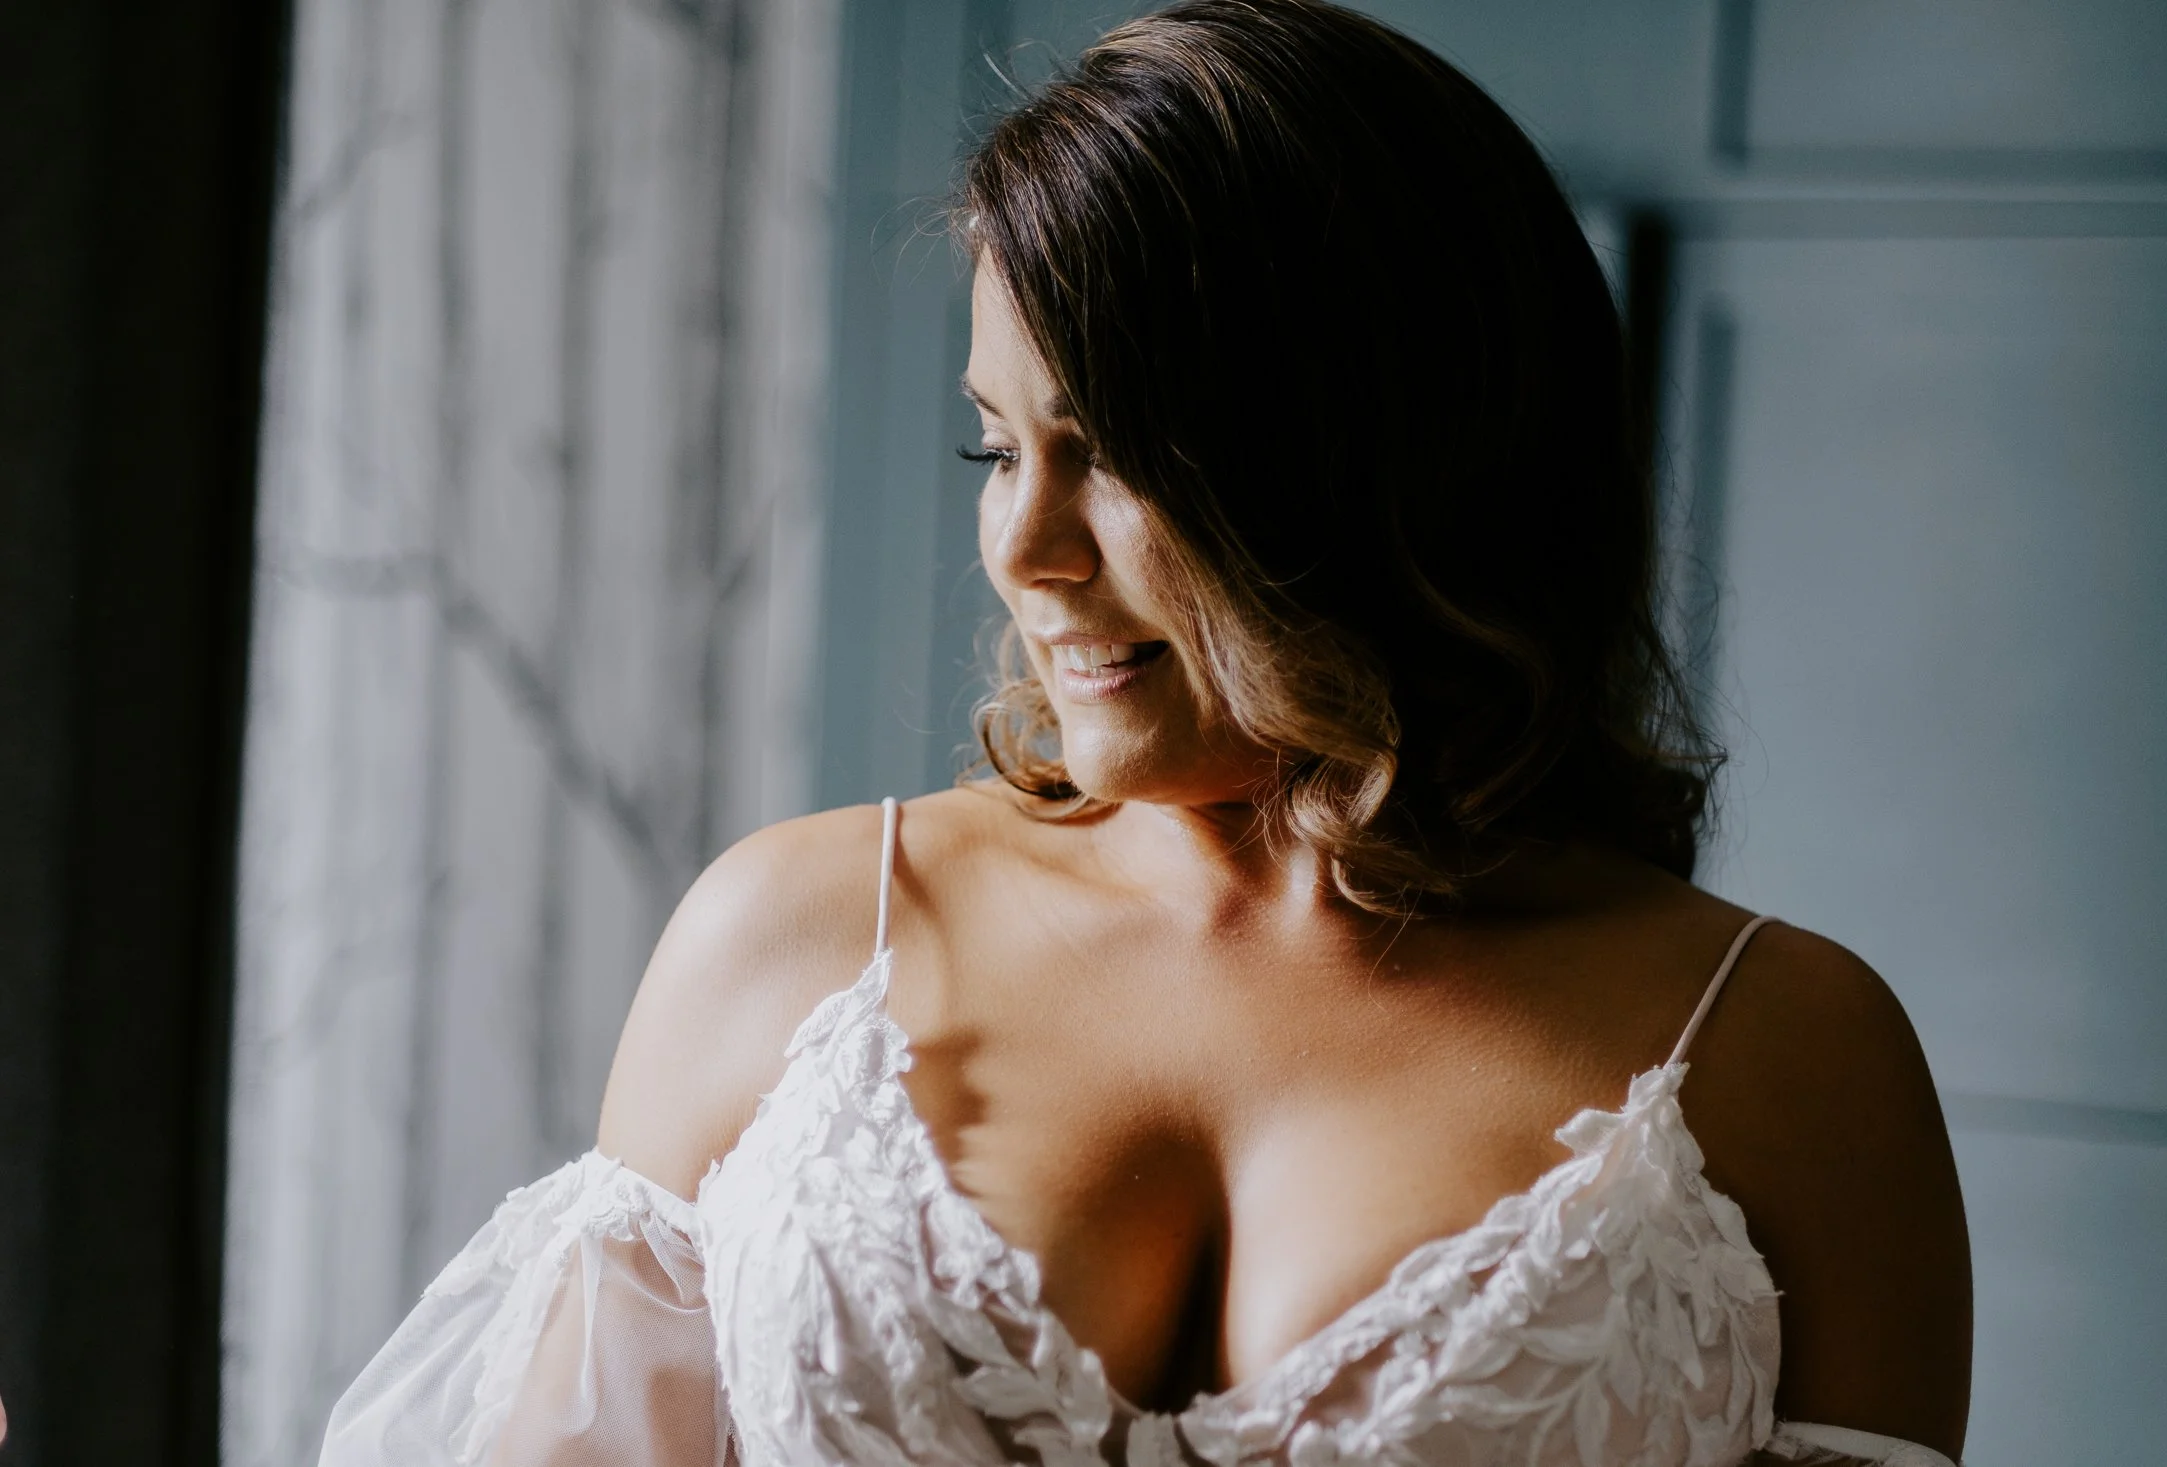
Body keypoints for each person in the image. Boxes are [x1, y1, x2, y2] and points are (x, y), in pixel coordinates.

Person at [320, 3, 1971, 1463]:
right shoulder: (794, 937)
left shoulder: (1783, 1057)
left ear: (1386, 468)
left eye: (1109, 452)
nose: (1028, 548)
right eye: (996, 448)